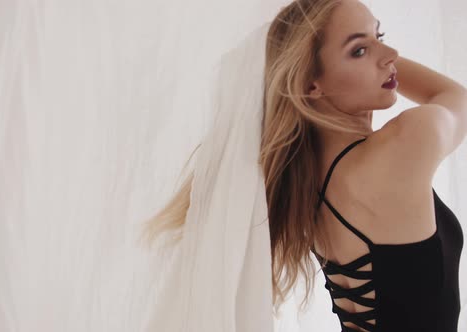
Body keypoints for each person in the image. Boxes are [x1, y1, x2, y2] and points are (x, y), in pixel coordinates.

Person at [141, 0, 466, 330]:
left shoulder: (302, 178)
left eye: (380, 36)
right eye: (359, 51)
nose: (390, 53)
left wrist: (360, 47)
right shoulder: (404, 145)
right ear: (312, 83)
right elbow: (457, 98)